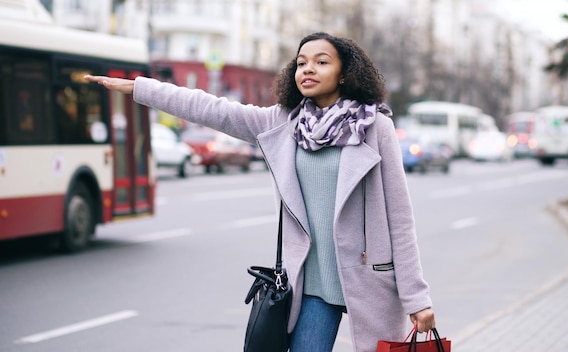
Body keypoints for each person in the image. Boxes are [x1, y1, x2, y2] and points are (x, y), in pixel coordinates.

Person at [85, 31, 435, 352]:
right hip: (312, 284)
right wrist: (140, 89)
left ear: (345, 73)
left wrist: (417, 298)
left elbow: (399, 220)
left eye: (321, 62)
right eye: (301, 63)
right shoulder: (283, 123)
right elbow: (211, 109)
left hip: (370, 281)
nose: (308, 69)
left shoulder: (376, 127)